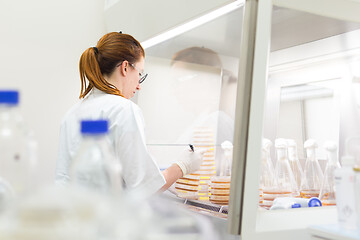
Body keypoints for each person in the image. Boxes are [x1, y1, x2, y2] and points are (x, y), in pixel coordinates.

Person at [55, 32, 205, 196]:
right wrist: (183, 166)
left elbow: (64, 178)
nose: (139, 86)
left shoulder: (73, 112)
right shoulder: (124, 109)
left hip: (70, 217)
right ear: (125, 67)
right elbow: (144, 189)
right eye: (139, 74)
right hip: (107, 218)